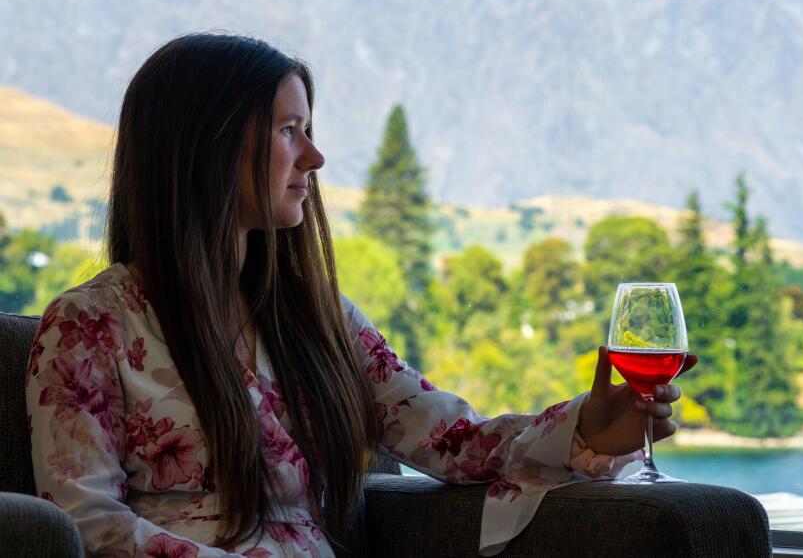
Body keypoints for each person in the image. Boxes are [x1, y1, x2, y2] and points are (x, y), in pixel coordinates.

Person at [25, 33, 697, 557]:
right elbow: (84, 523)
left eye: (307, 129)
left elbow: (453, 439)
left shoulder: (319, 319)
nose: (314, 157)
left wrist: (588, 430)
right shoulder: (89, 327)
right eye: (289, 130)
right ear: (207, 145)